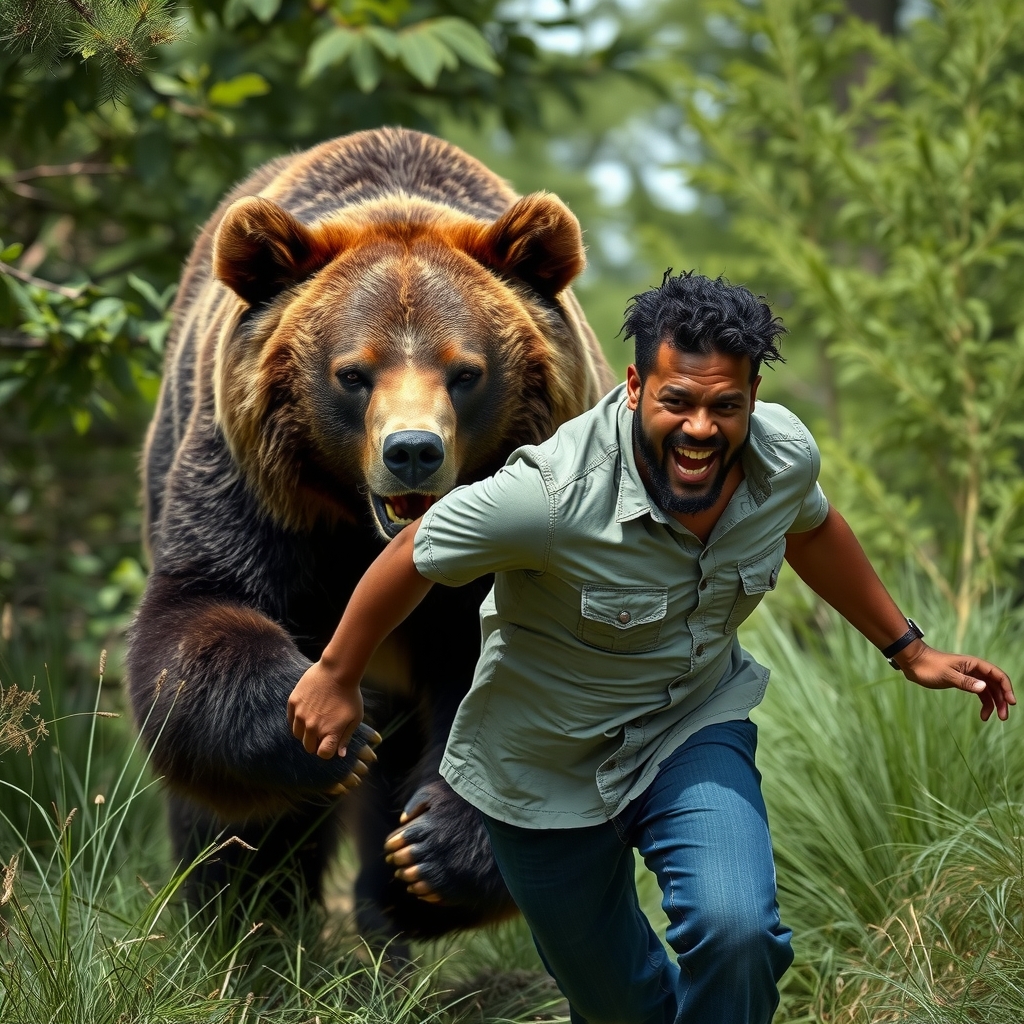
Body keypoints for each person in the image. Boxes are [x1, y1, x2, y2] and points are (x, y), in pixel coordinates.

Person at [287, 271, 1014, 1024]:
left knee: (739, 935)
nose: (701, 428)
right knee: (620, 1008)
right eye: (679, 402)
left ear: (753, 398)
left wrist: (908, 648)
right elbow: (414, 552)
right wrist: (337, 673)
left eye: (725, 406)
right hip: (541, 767)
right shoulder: (550, 494)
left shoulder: (782, 456)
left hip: (689, 726)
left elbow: (811, 526)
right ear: (636, 387)